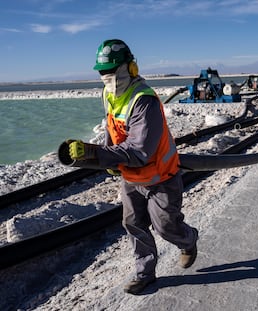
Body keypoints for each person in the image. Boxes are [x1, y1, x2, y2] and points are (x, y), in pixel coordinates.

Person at [67, 39, 198, 295]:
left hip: (160, 176)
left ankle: (189, 239)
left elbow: (139, 152)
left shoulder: (144, 101)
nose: (107, 77)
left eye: (112, 70)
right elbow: (111, 126)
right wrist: (107, 154)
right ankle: (144, 273)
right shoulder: (108, 94)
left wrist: (95, 154)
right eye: (102, 72)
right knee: (133, 224)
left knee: (166, 228)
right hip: (130, 177)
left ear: (131, 68)